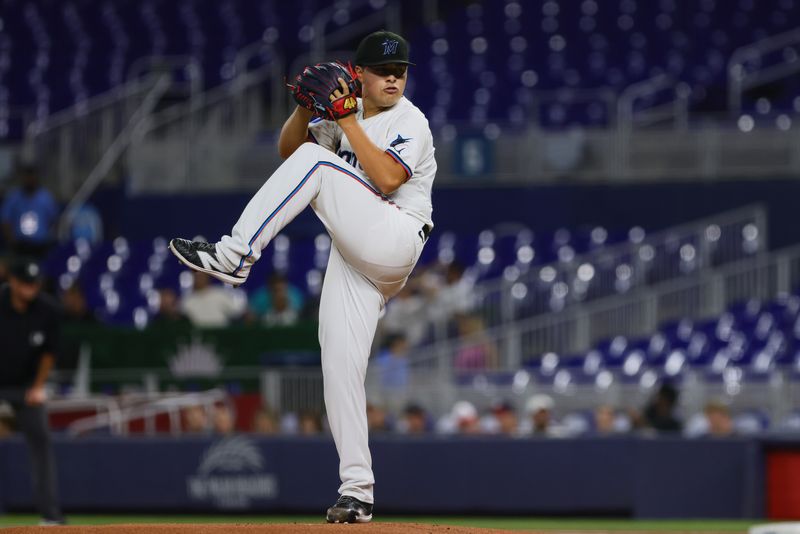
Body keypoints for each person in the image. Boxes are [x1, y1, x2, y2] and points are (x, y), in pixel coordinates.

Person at [168, 29, 435, 524]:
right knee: (338, 366)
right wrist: (302, 108)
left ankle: (234, 255)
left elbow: (389, 179)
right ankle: (358, 493)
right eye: (382, 70)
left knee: (319, 160)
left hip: (396, 237)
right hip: (355, 257)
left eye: (400, 69)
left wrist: (346, 120)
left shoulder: (410, 121)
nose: (394, 76)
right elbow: (290, 154)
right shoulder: (341, 117)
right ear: (359, 74)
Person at [0, 256, 64, 525]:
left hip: (26, 387)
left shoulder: (47, 310)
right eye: (25, 283)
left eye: (34, 283)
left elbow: (49, 354)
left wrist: (38, 387)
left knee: (41, 440)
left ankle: (50, 517)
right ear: (12, 282)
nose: (30, 288)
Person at [0, 165, 58, 259]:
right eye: (27, 176)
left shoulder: (46, 198)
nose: (29, 179)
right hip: (20, 246)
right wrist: (11, 241)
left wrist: (50, 239)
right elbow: (5, 220)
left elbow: (54, 220)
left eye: (32, 176)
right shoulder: (14, 197)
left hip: (40, 246)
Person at [181, 272, 247, 328]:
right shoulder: (187, 300)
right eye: (197, 277)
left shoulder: (219, 294)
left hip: (220, 333)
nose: (199, 279)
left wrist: (245, 314)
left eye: (202, 276)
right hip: (199, 337)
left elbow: (236, 313)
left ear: (207, 277)